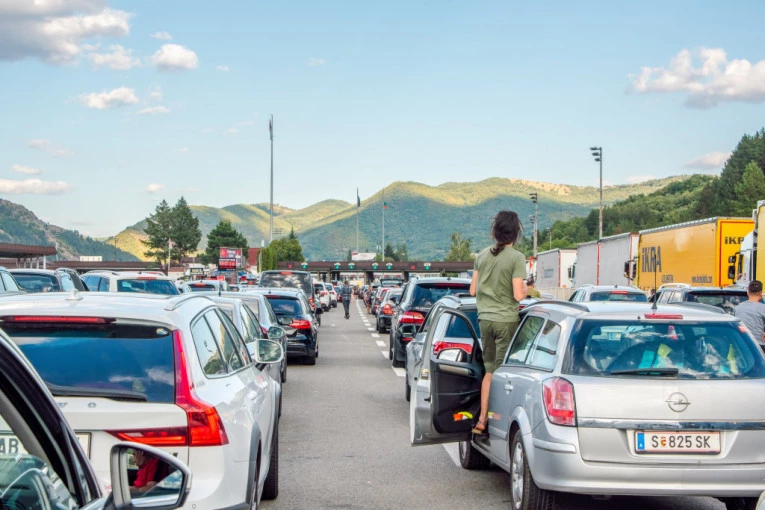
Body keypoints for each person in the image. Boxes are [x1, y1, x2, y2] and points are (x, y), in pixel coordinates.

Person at [469, 210, 527, 435]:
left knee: (489, 370)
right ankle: (499, 422)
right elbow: (518, 295)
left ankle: (482, 419)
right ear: (515, 232)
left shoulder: (482, 256)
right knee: (502, 374)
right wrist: (527, 288)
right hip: (505, 321)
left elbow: (472, 290)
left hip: (485, 319)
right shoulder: (516, 258)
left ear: (495, 231)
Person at [735, 280, 765, 351]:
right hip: (758, 346)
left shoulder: (738, 308)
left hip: (740, 345)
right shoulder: (763, 308)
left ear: (748, 293)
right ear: (761, 293)